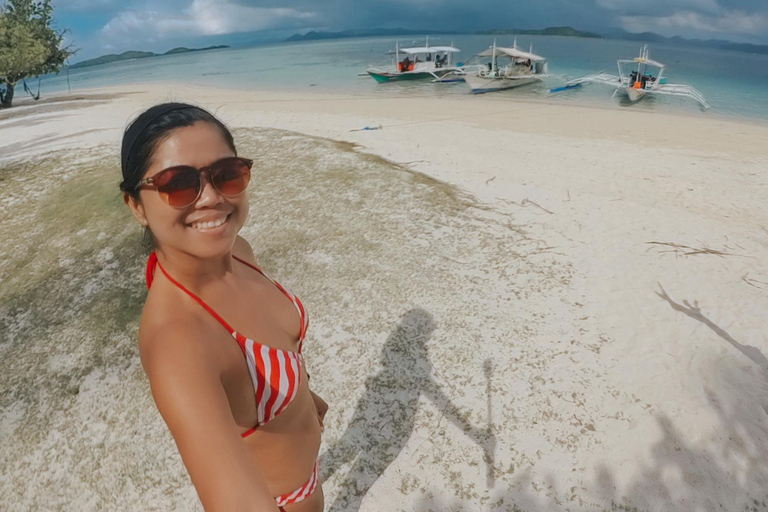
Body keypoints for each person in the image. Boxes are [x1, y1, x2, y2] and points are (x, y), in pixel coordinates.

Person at [120, 103, 327, 512]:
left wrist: (304, 395)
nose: (211, 197)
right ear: (137, 206)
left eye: (226, 174)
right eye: (178, 183)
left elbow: (273, 350)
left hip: (309, 471)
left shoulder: (240, 252)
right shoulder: (177, 342)